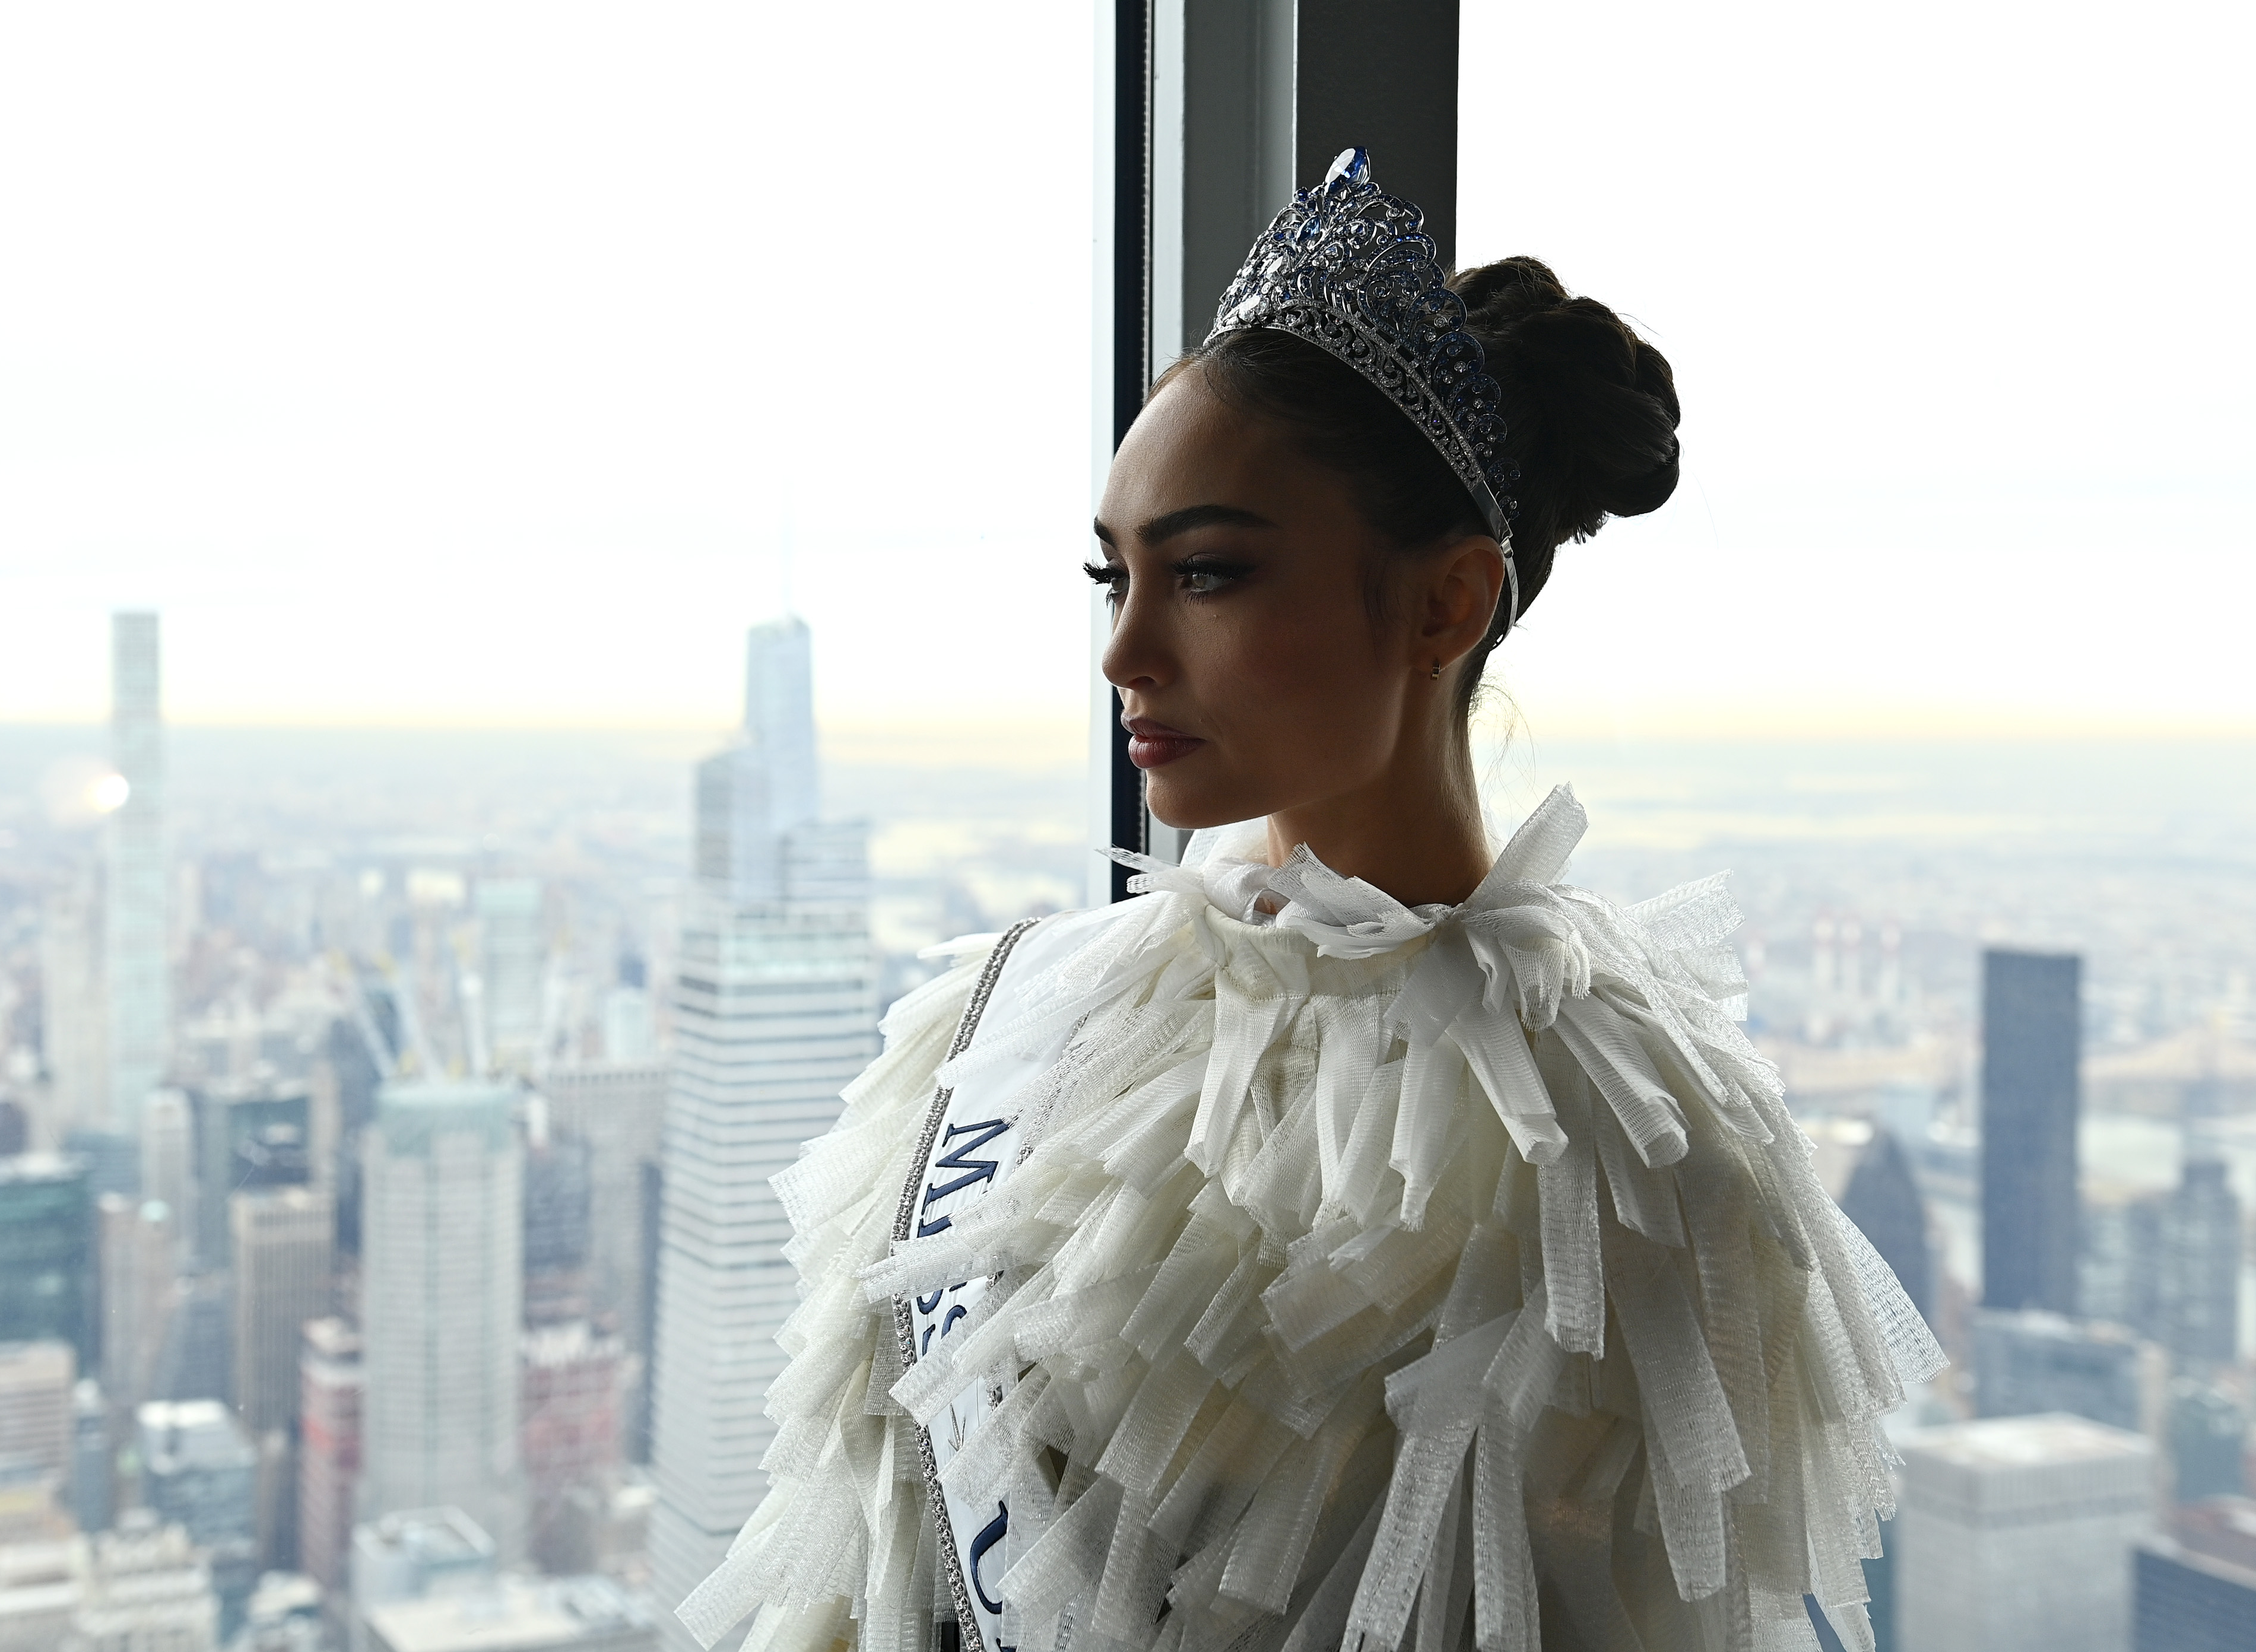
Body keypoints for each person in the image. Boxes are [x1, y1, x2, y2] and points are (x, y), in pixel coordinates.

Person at [681, 151, 1936, 1652]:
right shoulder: (1031, 1008)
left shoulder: (1623, 1162)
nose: (1125, 652)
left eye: (1206, 574)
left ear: (1443, 603)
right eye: (1115, 577)